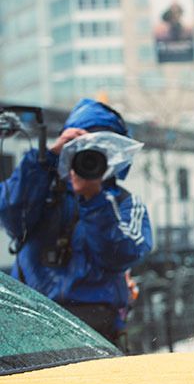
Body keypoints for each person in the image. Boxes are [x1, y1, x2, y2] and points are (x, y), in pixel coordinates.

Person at [0, 98, 153, 351]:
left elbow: (120, 254)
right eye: (80, 148)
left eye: (99, 151)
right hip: (33, 319)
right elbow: (11, 214)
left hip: (96, 325)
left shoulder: (123, 203)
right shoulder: (41, 189)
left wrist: (94, 200)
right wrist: (47, 158)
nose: (88, 158)